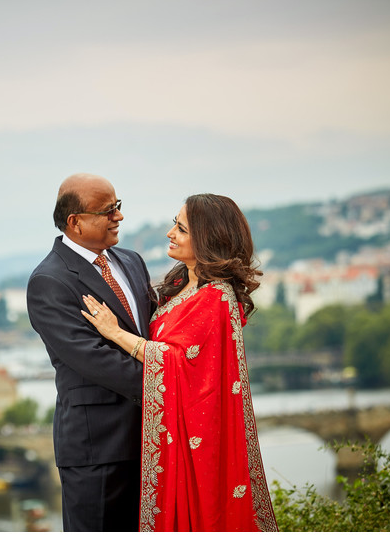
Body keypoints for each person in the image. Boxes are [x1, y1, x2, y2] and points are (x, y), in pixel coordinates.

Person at [81, 193, 278, 532]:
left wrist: (113, 333)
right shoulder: (183, 285)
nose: (170, 233)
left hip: (196, 434)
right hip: (169, 425)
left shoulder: (216, 296)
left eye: (181, 229)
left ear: (207, 238)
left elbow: (176, 360)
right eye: (175, 224)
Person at [26, 173, 156, 531]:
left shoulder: (131, 261)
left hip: (153, 440)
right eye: (108, 210)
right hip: (98, 449)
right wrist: (169, 384)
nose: (119, 216)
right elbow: (93, 358)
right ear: (76, 222)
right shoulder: (49, 281)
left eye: (118, 206)